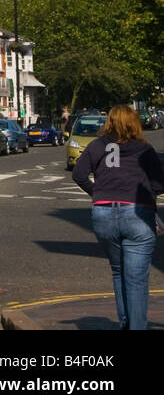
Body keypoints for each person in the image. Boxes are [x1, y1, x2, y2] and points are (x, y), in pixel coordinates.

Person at [73, 104, 164, 329]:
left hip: (104, 213)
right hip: (137, 213)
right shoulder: (144, 149)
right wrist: (148, 193)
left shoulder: (97, 145)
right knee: (136, 278)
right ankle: (137, 327)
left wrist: (98, 194)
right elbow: (159, 183)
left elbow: (79, 174)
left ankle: (124, 322)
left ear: (109, 122)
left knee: (118, 270)